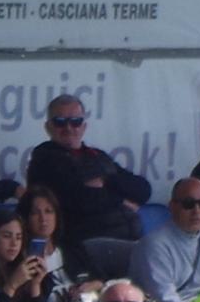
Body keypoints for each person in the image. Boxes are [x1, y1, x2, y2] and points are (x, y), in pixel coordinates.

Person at [23, 93, 150, 277]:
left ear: (84, 126)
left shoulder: (97, 156)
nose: (68, 127)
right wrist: (121, 199)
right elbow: (80, 200)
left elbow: (143, 189)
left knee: (162, 249)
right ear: (48, 127)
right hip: (86, 243)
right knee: (150, 256)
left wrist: (107, 181)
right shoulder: (44, 159)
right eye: (60, 122)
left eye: (75, 121)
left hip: (128, 237)